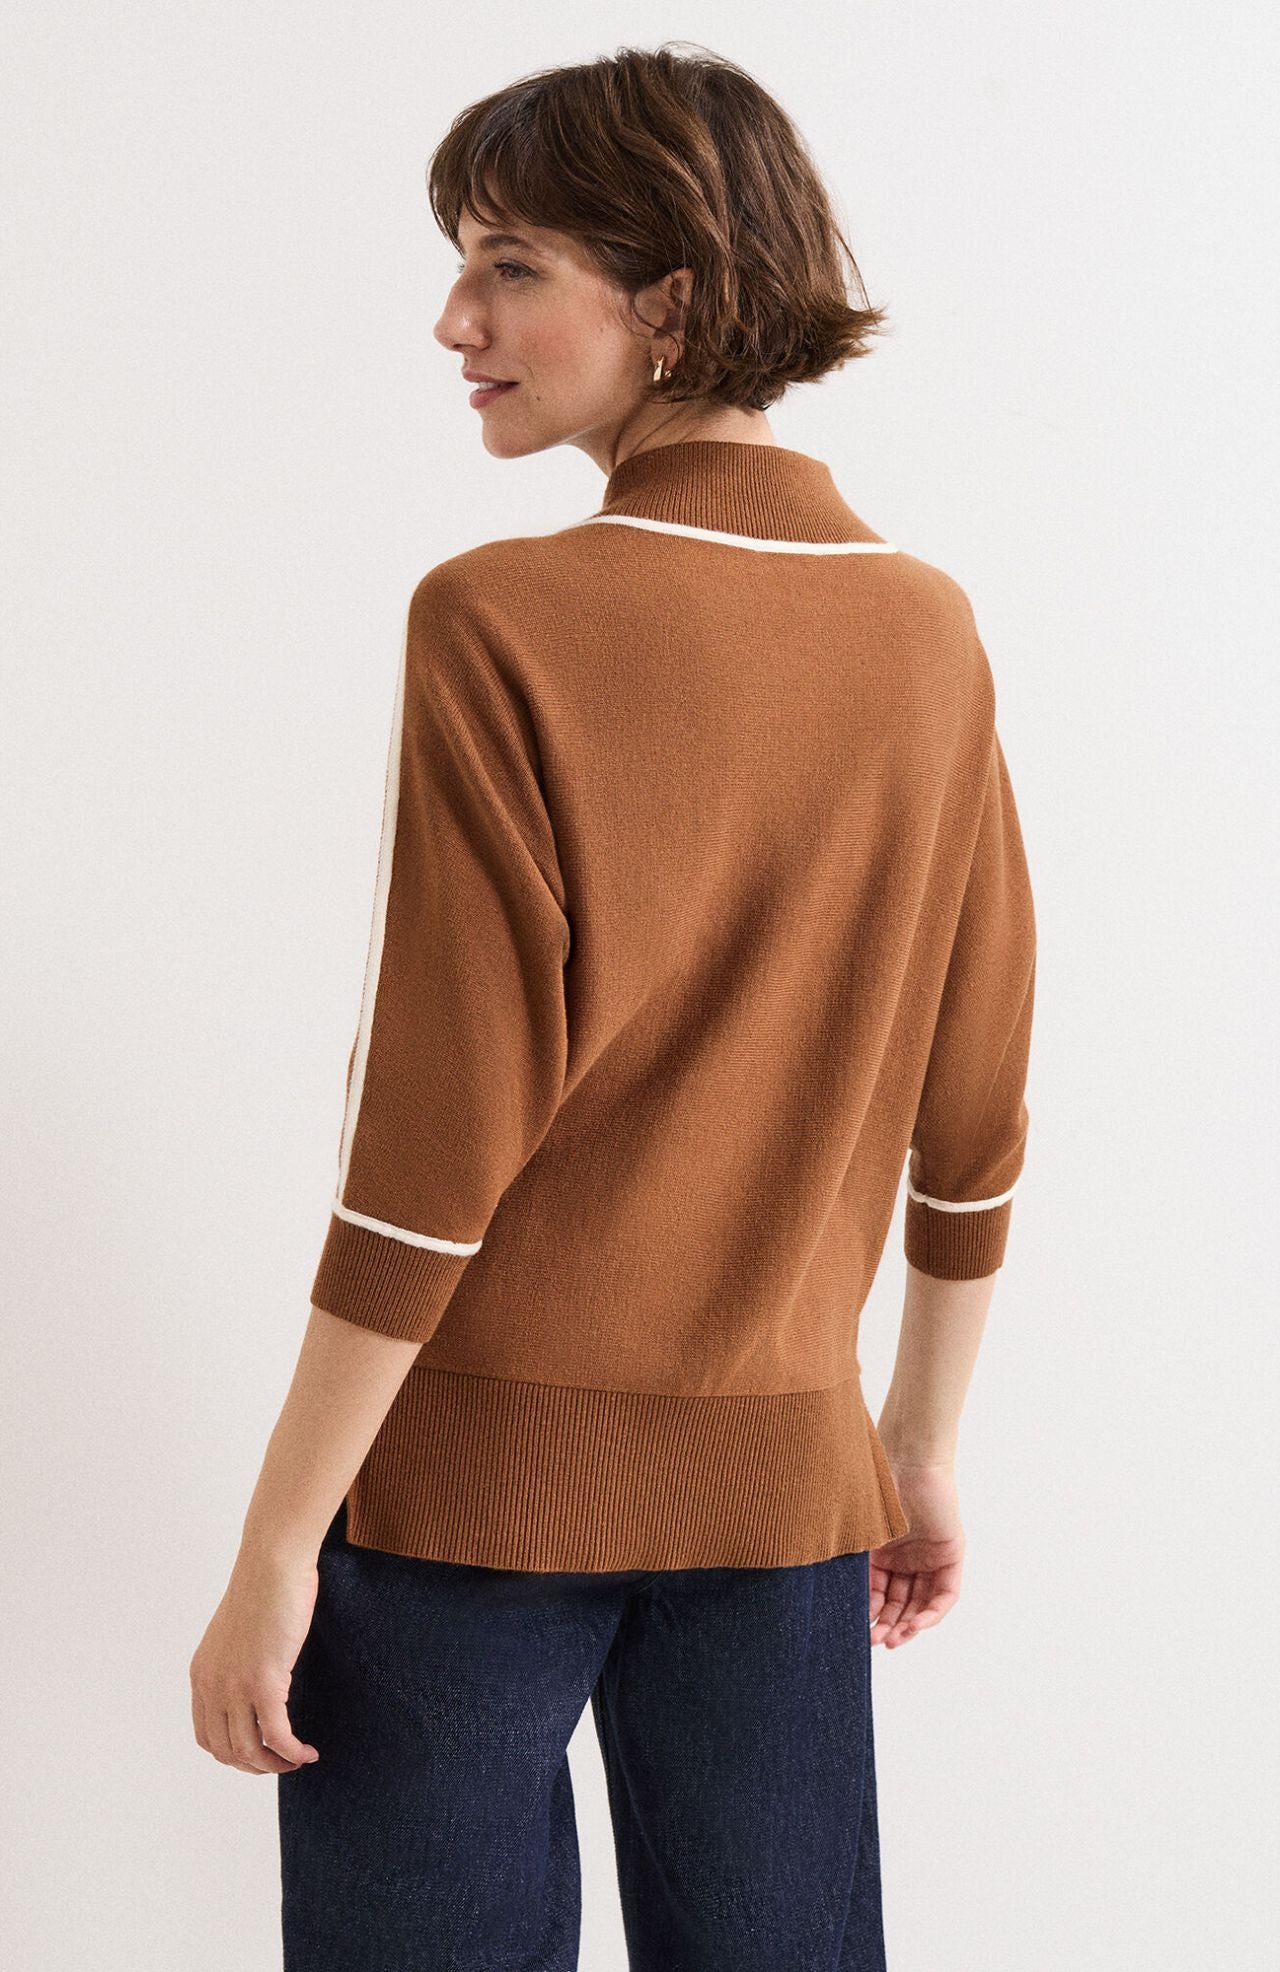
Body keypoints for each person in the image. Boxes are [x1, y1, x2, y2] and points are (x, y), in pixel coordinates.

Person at [189, 42, 1036, 1972]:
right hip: (786, 1498)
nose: (455, 321)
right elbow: (977, 1103)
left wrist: (276, 1543)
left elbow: (433, 1152)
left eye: (510, 269)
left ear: (670, 298)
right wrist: (912, 1445)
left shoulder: (500, 617)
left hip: (465, 1506)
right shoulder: (927, 631)